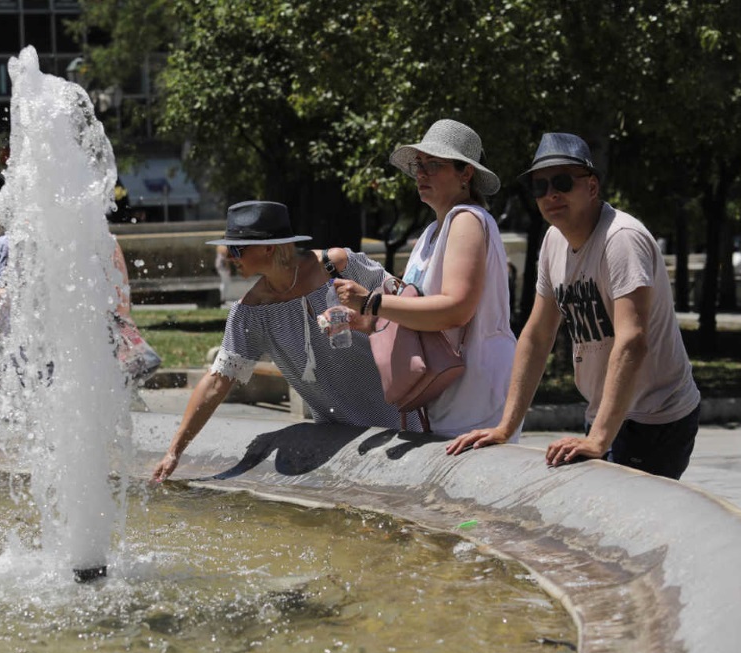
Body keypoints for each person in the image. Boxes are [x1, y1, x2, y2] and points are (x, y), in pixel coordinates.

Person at [446, 133, 701, 480]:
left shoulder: (621, 239)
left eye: (563, 182)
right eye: (540, 186)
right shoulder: (554, 240)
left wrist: (598, 439)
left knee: (625, 525)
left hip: (657, 417)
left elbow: (632, 341)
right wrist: (505, 426)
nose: (551, 194)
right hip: (606, 414)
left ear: (592, 187)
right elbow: (537, 337)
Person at [152, 200, 416, 482]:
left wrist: (367, 319)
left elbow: (410, 309)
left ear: (269, 247)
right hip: (339, 432)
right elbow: (217, 381)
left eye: (237, 249)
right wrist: (174, 452)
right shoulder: (250, 312)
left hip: (407, 412)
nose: (230, 256)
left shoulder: (337, 266)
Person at [330, 119, 517, 438]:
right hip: (444, 389)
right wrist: (366, 319)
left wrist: (373, 303)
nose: (421, 173)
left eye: (434, 164)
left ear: (465, 173)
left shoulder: (467, 220)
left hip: (473, 395)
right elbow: (418, 313)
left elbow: (456, 310)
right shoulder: (432, 232)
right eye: (419, 164)